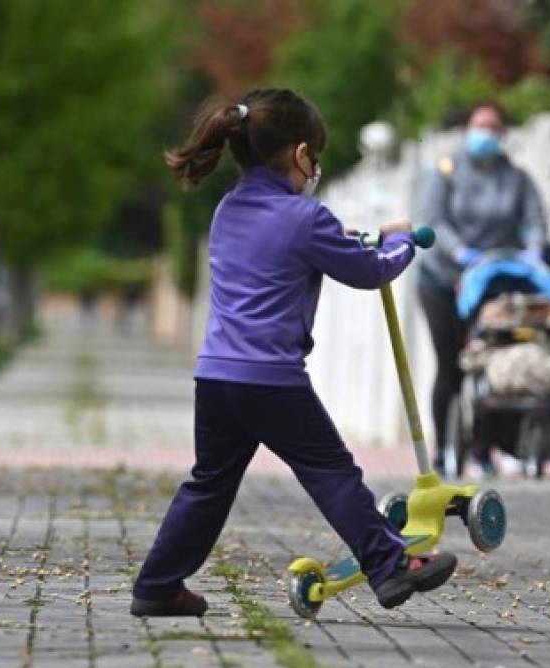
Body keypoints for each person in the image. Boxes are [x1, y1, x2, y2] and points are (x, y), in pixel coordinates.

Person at [131, 88, 458, 618]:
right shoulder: (307, 217)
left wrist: (351, 236)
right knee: (331, 472)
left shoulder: (228, 209)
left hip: (216, 377)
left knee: (208, 484)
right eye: (316, 156)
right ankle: (389, 564)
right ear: (302, 154)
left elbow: (289, 246)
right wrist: (402, 243)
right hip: (272, 379)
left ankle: (157, 585)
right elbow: (368, 271)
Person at [418, 102, 550, 475]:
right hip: (444, 280)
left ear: (502, 135)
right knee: (452, 367)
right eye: (480, 126)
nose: (486, 134)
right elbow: (432, 220)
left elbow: (534, 220)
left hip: (493, 282)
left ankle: (485, 446)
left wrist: (533, 248)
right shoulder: (447, 172)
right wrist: (458, 251)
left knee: (496, 364)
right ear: (468, 130)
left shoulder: (517, 179)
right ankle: (442, 451)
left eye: (493, 128)